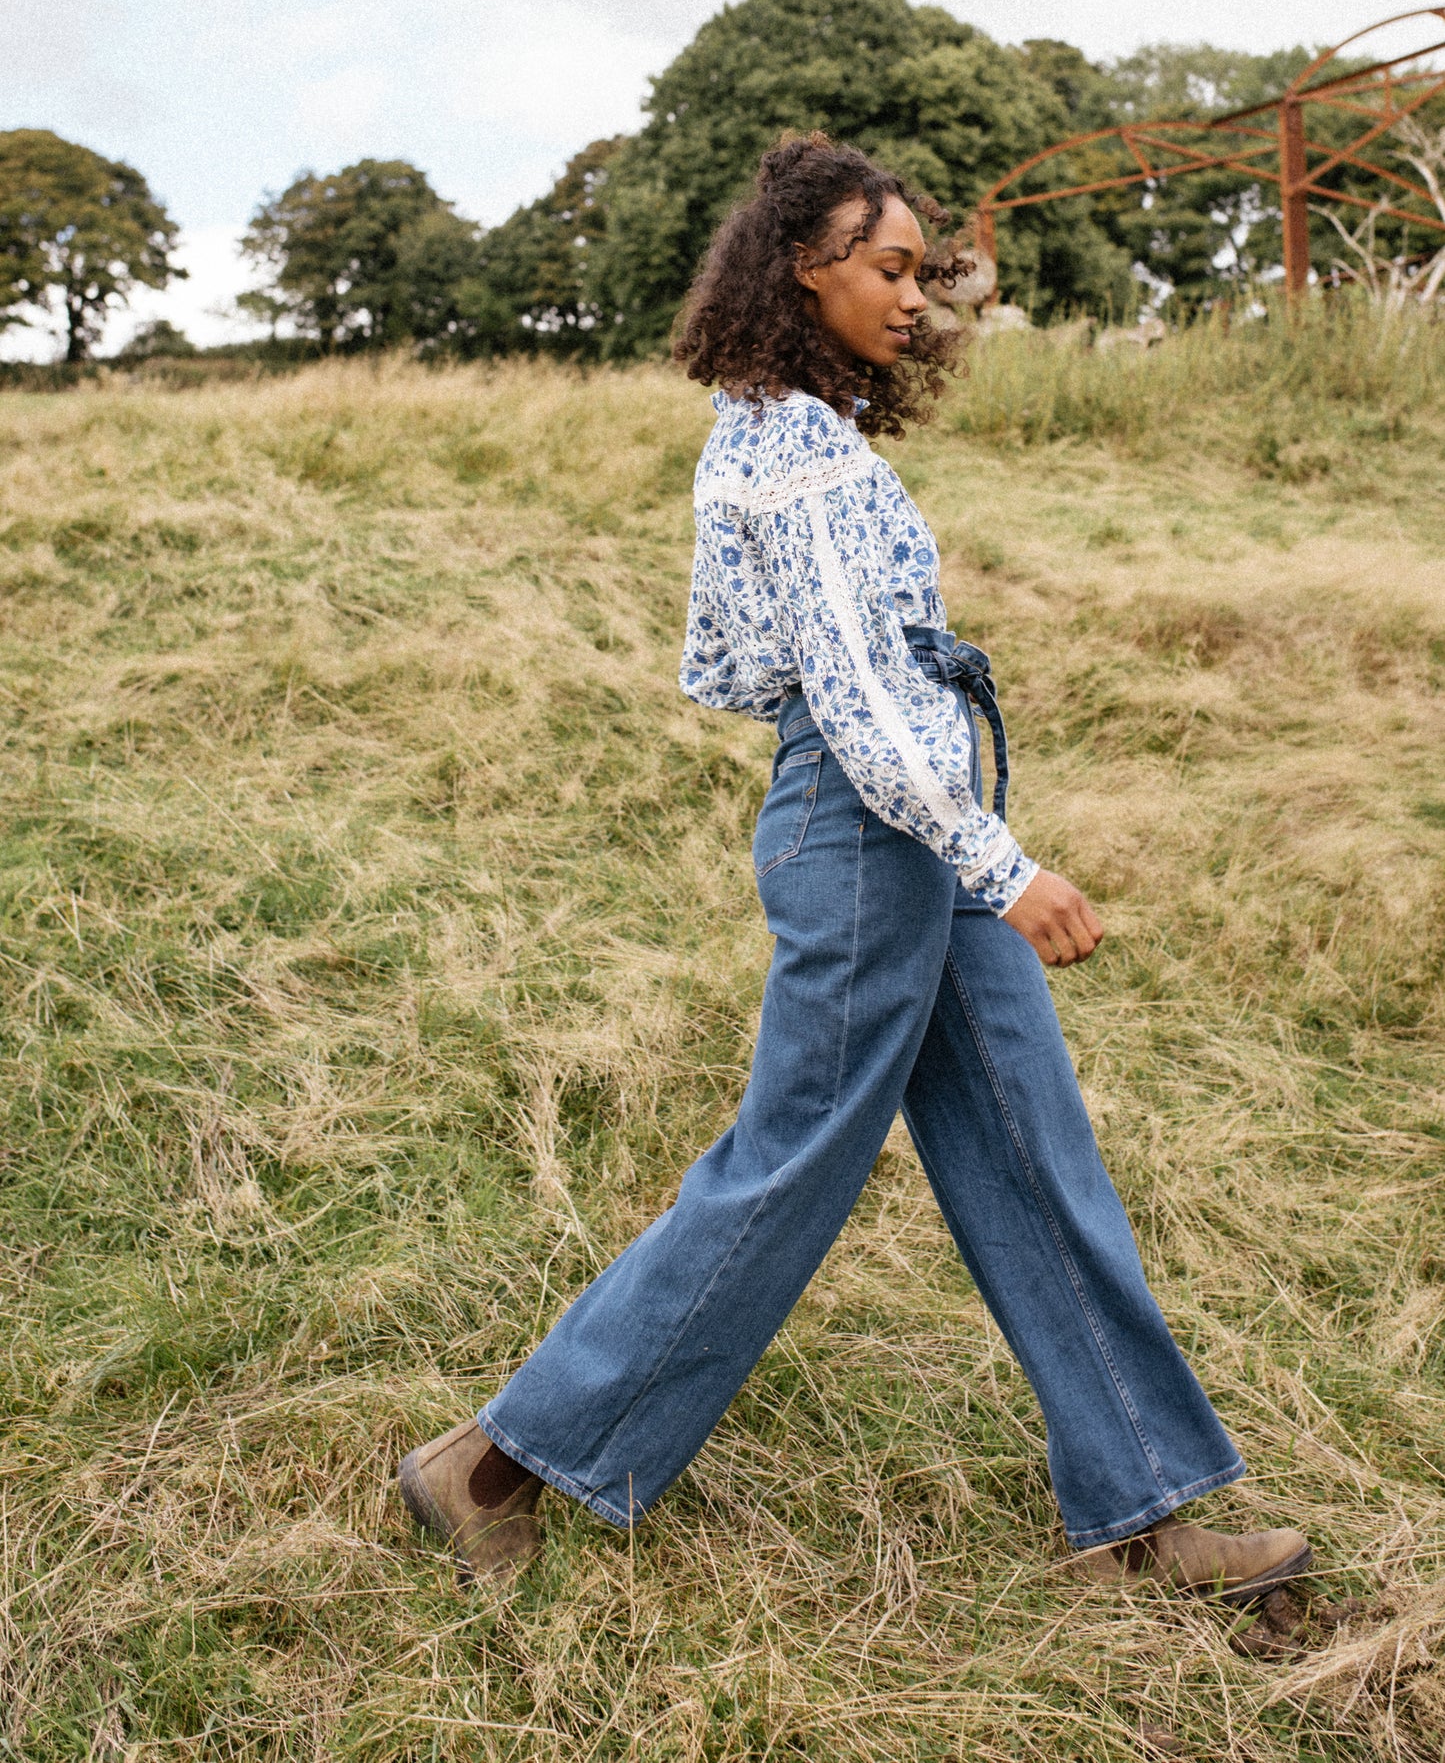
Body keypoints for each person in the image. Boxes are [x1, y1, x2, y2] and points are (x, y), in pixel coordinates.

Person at [399, 133, 1310, 1603]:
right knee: (788, 1166)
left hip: (909, 817)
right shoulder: (791, 453)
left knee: (1031, 1149)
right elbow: (855, 695)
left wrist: (955, 829)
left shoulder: (798, 429)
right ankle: (491, 1463)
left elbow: (797, 673)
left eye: (923, 271)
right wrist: (997, 861)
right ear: (799, 269)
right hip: (876, 824)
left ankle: (1144, 1504)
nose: (914, 297)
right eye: (888, 269)